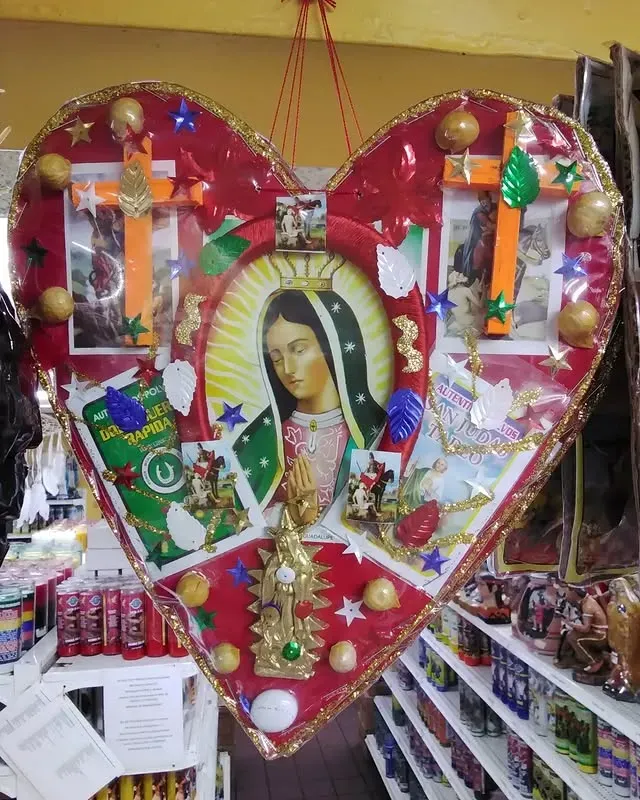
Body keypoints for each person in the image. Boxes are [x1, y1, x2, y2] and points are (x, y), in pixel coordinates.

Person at [235, 289, 386, 515]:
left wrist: (312, 516)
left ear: (332, 347)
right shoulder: (263, 437)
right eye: (276, 359)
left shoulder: (374, 433)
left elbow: (372, 529)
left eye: (298, 350)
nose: (287, 369)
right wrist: (292, 516)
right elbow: (224, 519)